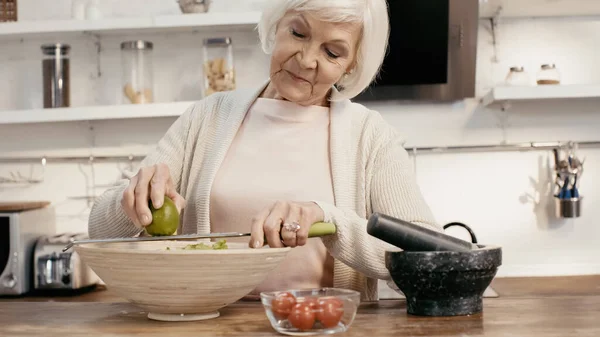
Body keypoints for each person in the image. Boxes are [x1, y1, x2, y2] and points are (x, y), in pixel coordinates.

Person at [88, 0, 440, 302]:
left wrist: (331, 221)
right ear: (276, 26)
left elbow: (429, 261)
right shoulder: (207, 117)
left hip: (321, 327)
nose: (305, 60)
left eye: (332, 52)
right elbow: (99, 230)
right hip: (209, 327)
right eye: (298, 33)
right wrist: (132, 198)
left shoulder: (371, 136)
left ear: (352, 64)